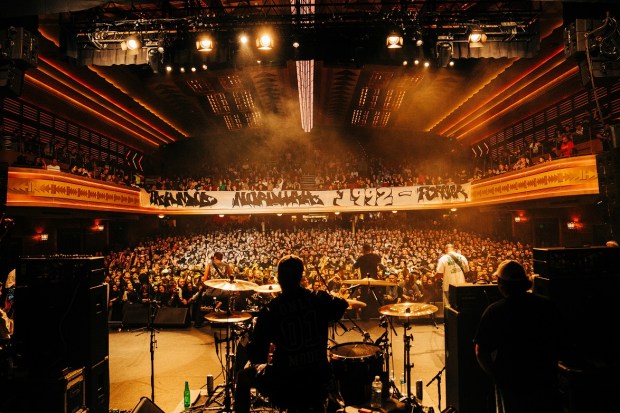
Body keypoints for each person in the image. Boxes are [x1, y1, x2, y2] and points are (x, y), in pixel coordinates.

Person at [234, 255, 348, 413]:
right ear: (301, 277)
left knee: (243, 376)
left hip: (286, 382)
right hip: (318, 377)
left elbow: (257, 357)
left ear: (279, 278)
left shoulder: (271, 310)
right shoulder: (318, 299)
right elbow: (342, 305)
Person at [473, 260, 563, 413]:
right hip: (545, 380)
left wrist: (497, 376)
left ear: (501, 283)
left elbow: (480, 352)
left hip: (511, 383)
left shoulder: (494, 311)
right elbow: (560, 341)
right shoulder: (547, 306)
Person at [352, 244, 386, 320]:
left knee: (364, 297)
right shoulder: (375, 257)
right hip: (374, 280)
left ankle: (364, 316)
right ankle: (378, 314)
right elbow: (379, 263)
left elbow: (355, 266)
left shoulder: (361, 258)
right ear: (370, 249)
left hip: (365, 281)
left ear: (363, 250)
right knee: (376, 295)